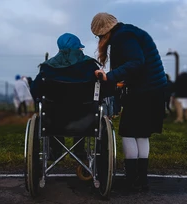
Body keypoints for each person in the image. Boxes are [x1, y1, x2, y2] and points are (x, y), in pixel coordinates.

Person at [91, 12, 167, 192]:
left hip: (143, 91)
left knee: (128, 132)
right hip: (154, 89)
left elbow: (136, 62)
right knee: (141, 134)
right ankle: (142, 180)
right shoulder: (130, 32)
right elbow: (138, 64)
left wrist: (109, 77)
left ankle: (131, 180)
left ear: (104, 32)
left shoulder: (123, 37)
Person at [30, 33, 105, 161]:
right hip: (84, 120)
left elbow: (35, 90)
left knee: (52, 112)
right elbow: (103, 90)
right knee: (83, 110)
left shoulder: (47, 67)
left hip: (54, 120)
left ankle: (57, 149)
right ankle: (79, 150)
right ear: (78, 48)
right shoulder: (90, 66)